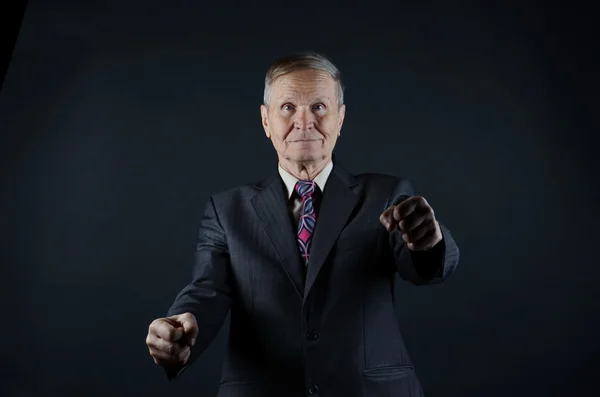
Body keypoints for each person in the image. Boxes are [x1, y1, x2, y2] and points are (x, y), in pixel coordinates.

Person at [145, 52, 459, 397]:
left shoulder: (387, 195)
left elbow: (422, 266)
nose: (305, 121)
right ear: (266, 121)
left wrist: (429, 243)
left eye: (320, 107)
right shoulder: (226, 210)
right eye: (288, 107)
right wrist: (180, 324)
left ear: (341, 119)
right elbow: (207, 289)